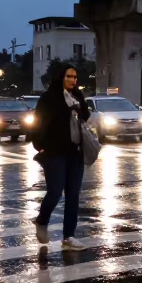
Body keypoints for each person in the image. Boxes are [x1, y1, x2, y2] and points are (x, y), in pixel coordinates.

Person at [31, 64, 91, 250]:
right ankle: (42, 220)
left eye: (75, 77)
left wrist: (78, 108)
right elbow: (38, 122)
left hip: (75, 151)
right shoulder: (49, 98)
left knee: (73, 195)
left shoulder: (77, 97)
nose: (73, 80)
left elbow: (86, 115)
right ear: (61, 78)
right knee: (55, 192)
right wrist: (39, 146)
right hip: (54, 151)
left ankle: (68, 236)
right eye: (69, 76)